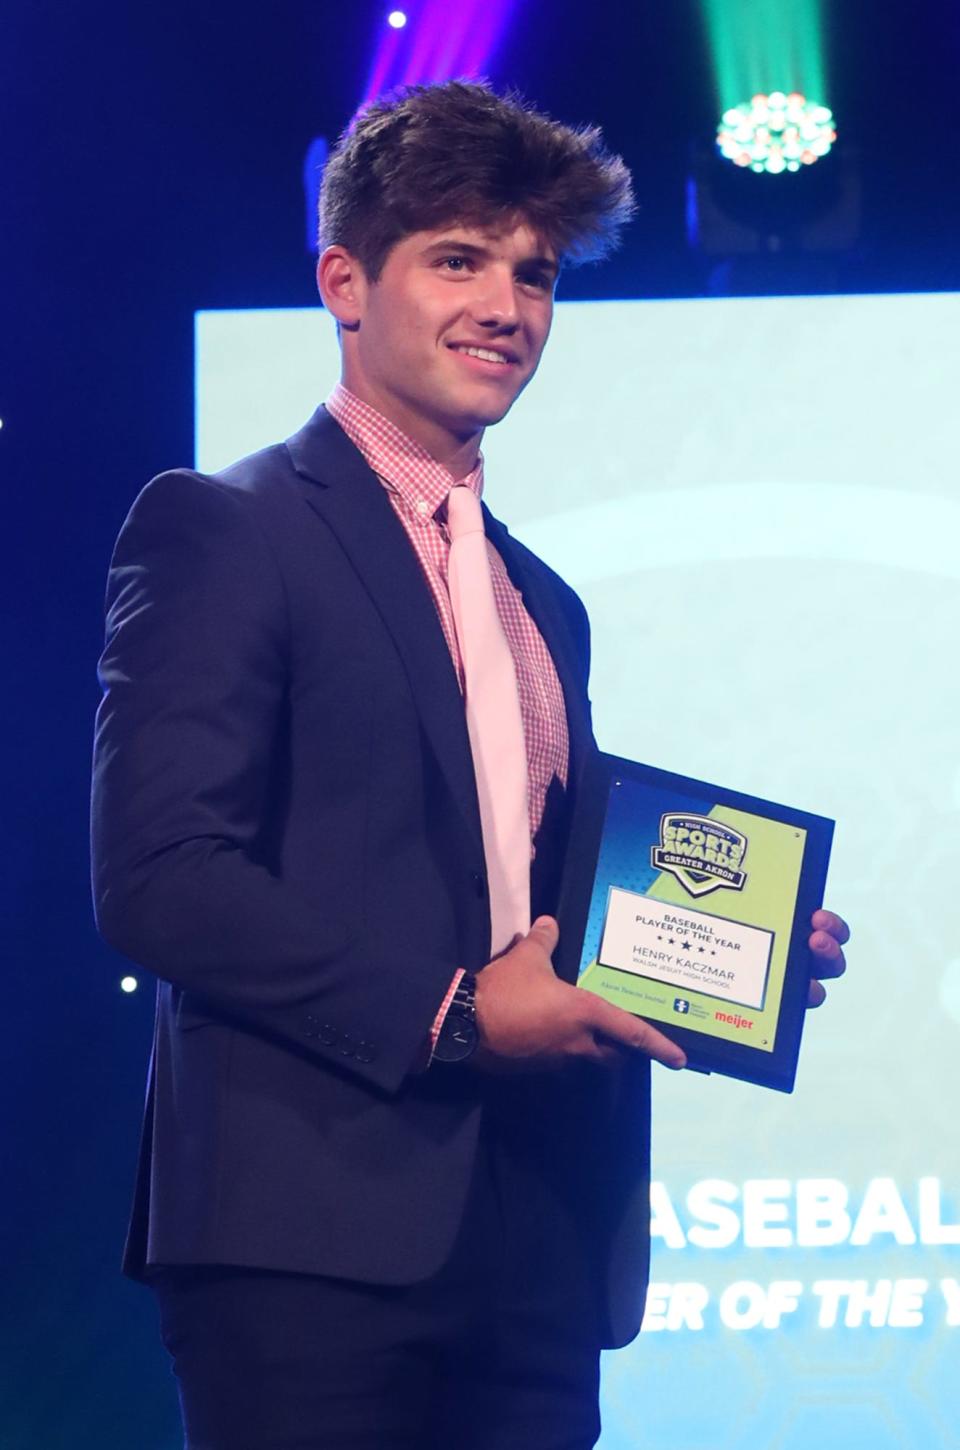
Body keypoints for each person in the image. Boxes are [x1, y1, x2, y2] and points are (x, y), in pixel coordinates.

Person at [91, 81, 848, 1450]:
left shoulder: (544, 600)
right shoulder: (224, 527)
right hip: (307, 1243)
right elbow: (160, 880)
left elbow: (558, 899)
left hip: (542, 1238)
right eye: (458, 259)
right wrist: (451, 1009)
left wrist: (740, 953)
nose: (508, 305)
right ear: (343, 280)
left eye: (535, 272)